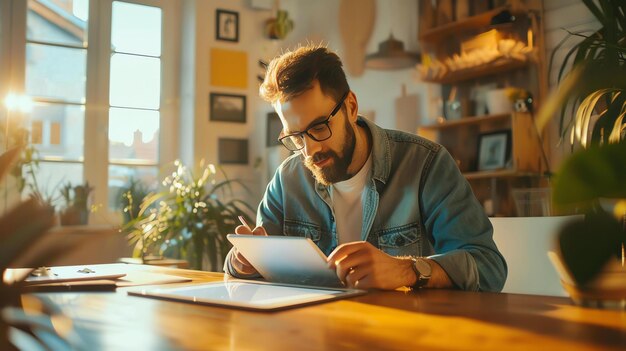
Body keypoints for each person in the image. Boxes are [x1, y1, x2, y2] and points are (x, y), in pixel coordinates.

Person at [224, 44, 507, 292]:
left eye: (319, 127)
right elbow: (246, 264)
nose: (309, 150)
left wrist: (407, 271)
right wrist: (243, 262)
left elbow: (488, 267)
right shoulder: (288, 179)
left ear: (351, 106)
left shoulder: (425, 164)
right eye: (296, 137)